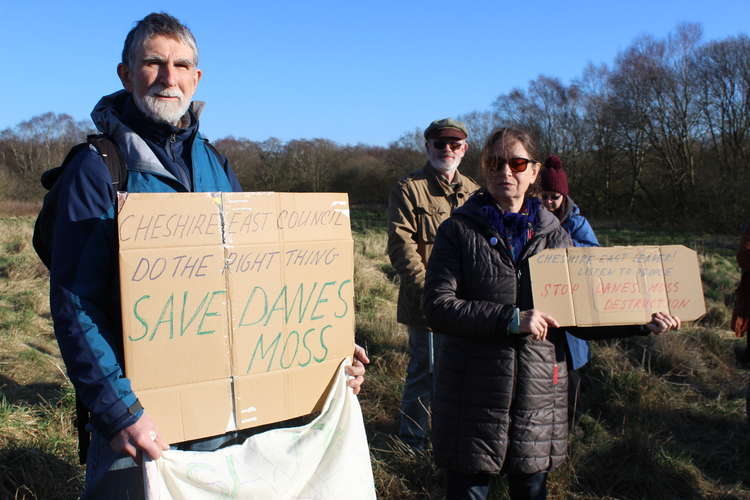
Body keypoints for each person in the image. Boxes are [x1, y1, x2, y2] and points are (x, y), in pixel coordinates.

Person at [47, 12, 368, 499]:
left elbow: (256, 278)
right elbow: (77, 306)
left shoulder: (216, 162)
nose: (168, 77)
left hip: (225, 420)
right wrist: (118, 412)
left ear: (196, 79)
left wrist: (329, 352)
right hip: (140, 419)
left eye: (181, 65)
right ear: (125, 73)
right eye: (153, 62)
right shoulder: (96, 170)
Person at [423, 127, 681, 499]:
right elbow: (437, 307)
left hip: (538, 398)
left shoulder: (555, 236)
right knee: (468, 489)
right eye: (495, 163)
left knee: (530, 489)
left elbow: (579, 314)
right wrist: (510, 320)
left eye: (517, 163)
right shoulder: (458, 232)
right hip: (472, 397)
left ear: (533, 171)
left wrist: (642, 320)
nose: (505, 172)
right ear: (484, 167)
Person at [387, 118, 480, 450]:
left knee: (463, 371)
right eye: (439, 144)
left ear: (464, 149)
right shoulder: (409, 189)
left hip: (468, 304)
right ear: (427, 147)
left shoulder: (475, 193)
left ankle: (451, 436)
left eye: (454, 144)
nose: (447, 150)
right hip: (425, 302)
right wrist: (431, 293)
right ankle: (412, 440)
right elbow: (401, 247)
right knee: (424, 372)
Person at [540, 154, 599, 422]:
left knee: (571, 371)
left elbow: (594, 256)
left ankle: (572, 424)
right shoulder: (528, 219)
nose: (549, 202)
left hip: (573, 308)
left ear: (564, 197)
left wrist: (566, 248)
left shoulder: (576, 222)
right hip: (541, 305)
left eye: (555, 197)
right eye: (545, 196)